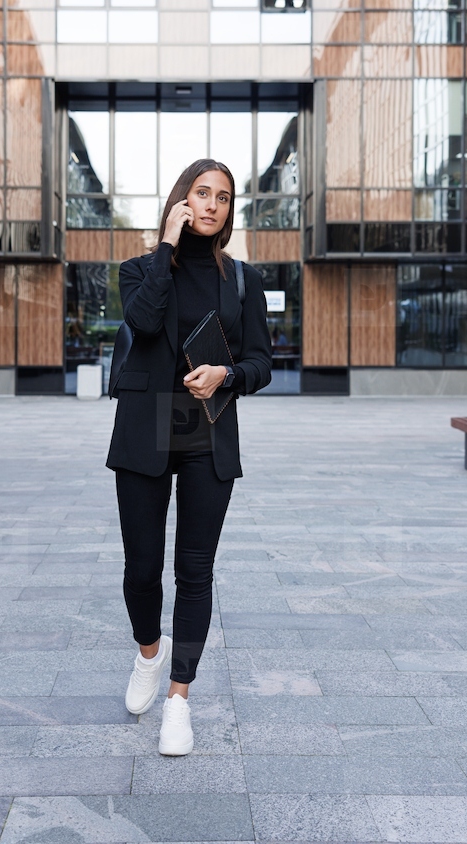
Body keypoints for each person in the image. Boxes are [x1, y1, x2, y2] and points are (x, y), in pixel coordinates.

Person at [107, 158, 272, 755]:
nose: (212, 205)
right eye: (201, 194)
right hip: (145, 429)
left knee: (195, 571)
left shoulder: (243, 279)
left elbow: (262, 364)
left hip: (208, 431)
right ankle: (148, 653)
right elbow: (146, 322)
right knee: (141, 568)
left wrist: (227, 373)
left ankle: (179, 698)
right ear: (181, 201)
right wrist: (166, 247)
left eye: (223, 198)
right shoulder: (136, 271)